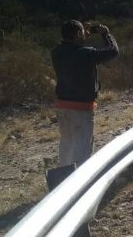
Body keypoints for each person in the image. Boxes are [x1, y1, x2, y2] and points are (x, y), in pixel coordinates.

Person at [51, 20, 119, 167]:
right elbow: (113, 51)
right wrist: (106, 34)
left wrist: (81, 36)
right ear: (77, 34)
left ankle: (63, 175)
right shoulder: (86, 53)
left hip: (62, 105)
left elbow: (71, 49)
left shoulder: (56, 51)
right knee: (82, 146)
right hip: (81, 108)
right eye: (82, 32)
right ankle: (81, 176)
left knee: (67, 143)